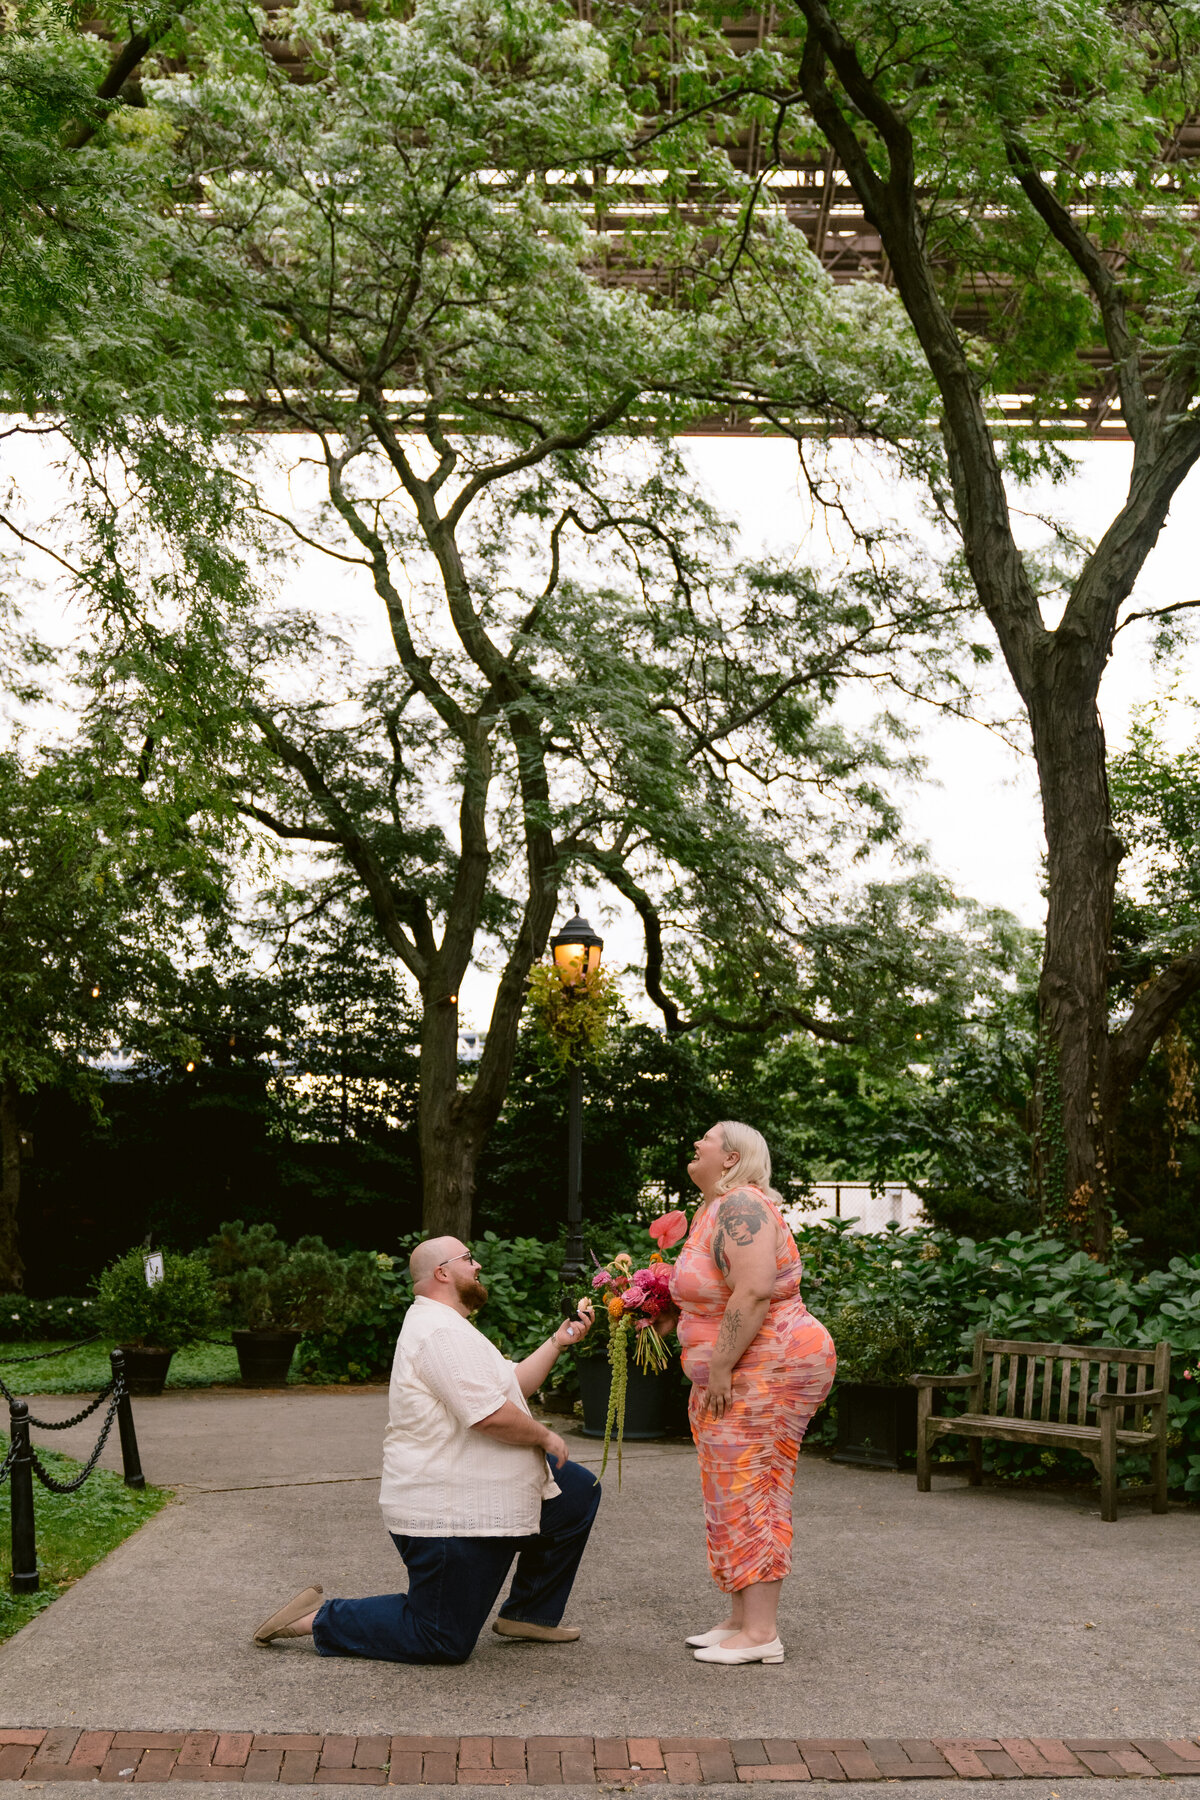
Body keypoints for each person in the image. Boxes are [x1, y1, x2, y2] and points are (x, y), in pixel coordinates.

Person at [252, 1236, 598, 1663]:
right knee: (441, 1639)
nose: (479, 1266)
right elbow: (488, 1415)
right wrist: (545, 1436)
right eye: (469, 1259)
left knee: (575, 1491)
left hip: (476, 1487)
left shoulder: (451, 1327)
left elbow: (512, 1387)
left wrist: (557, 1342)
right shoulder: (438, 1332)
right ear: (442, 1272)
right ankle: (319, 1617)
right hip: (448, 1512)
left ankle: (528, 1613)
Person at [667, 1121, 836, 1666]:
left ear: (733, 1157)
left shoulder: (744, 1205)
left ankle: (762, 1633)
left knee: (752, 1482)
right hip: (741, 1368)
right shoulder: (712, 1210)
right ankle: (741, 1619)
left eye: (708, 1138)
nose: (697, 1142)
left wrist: (719, 1367)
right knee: (728, 1484)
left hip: (770, 1367)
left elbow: (757, 1287)